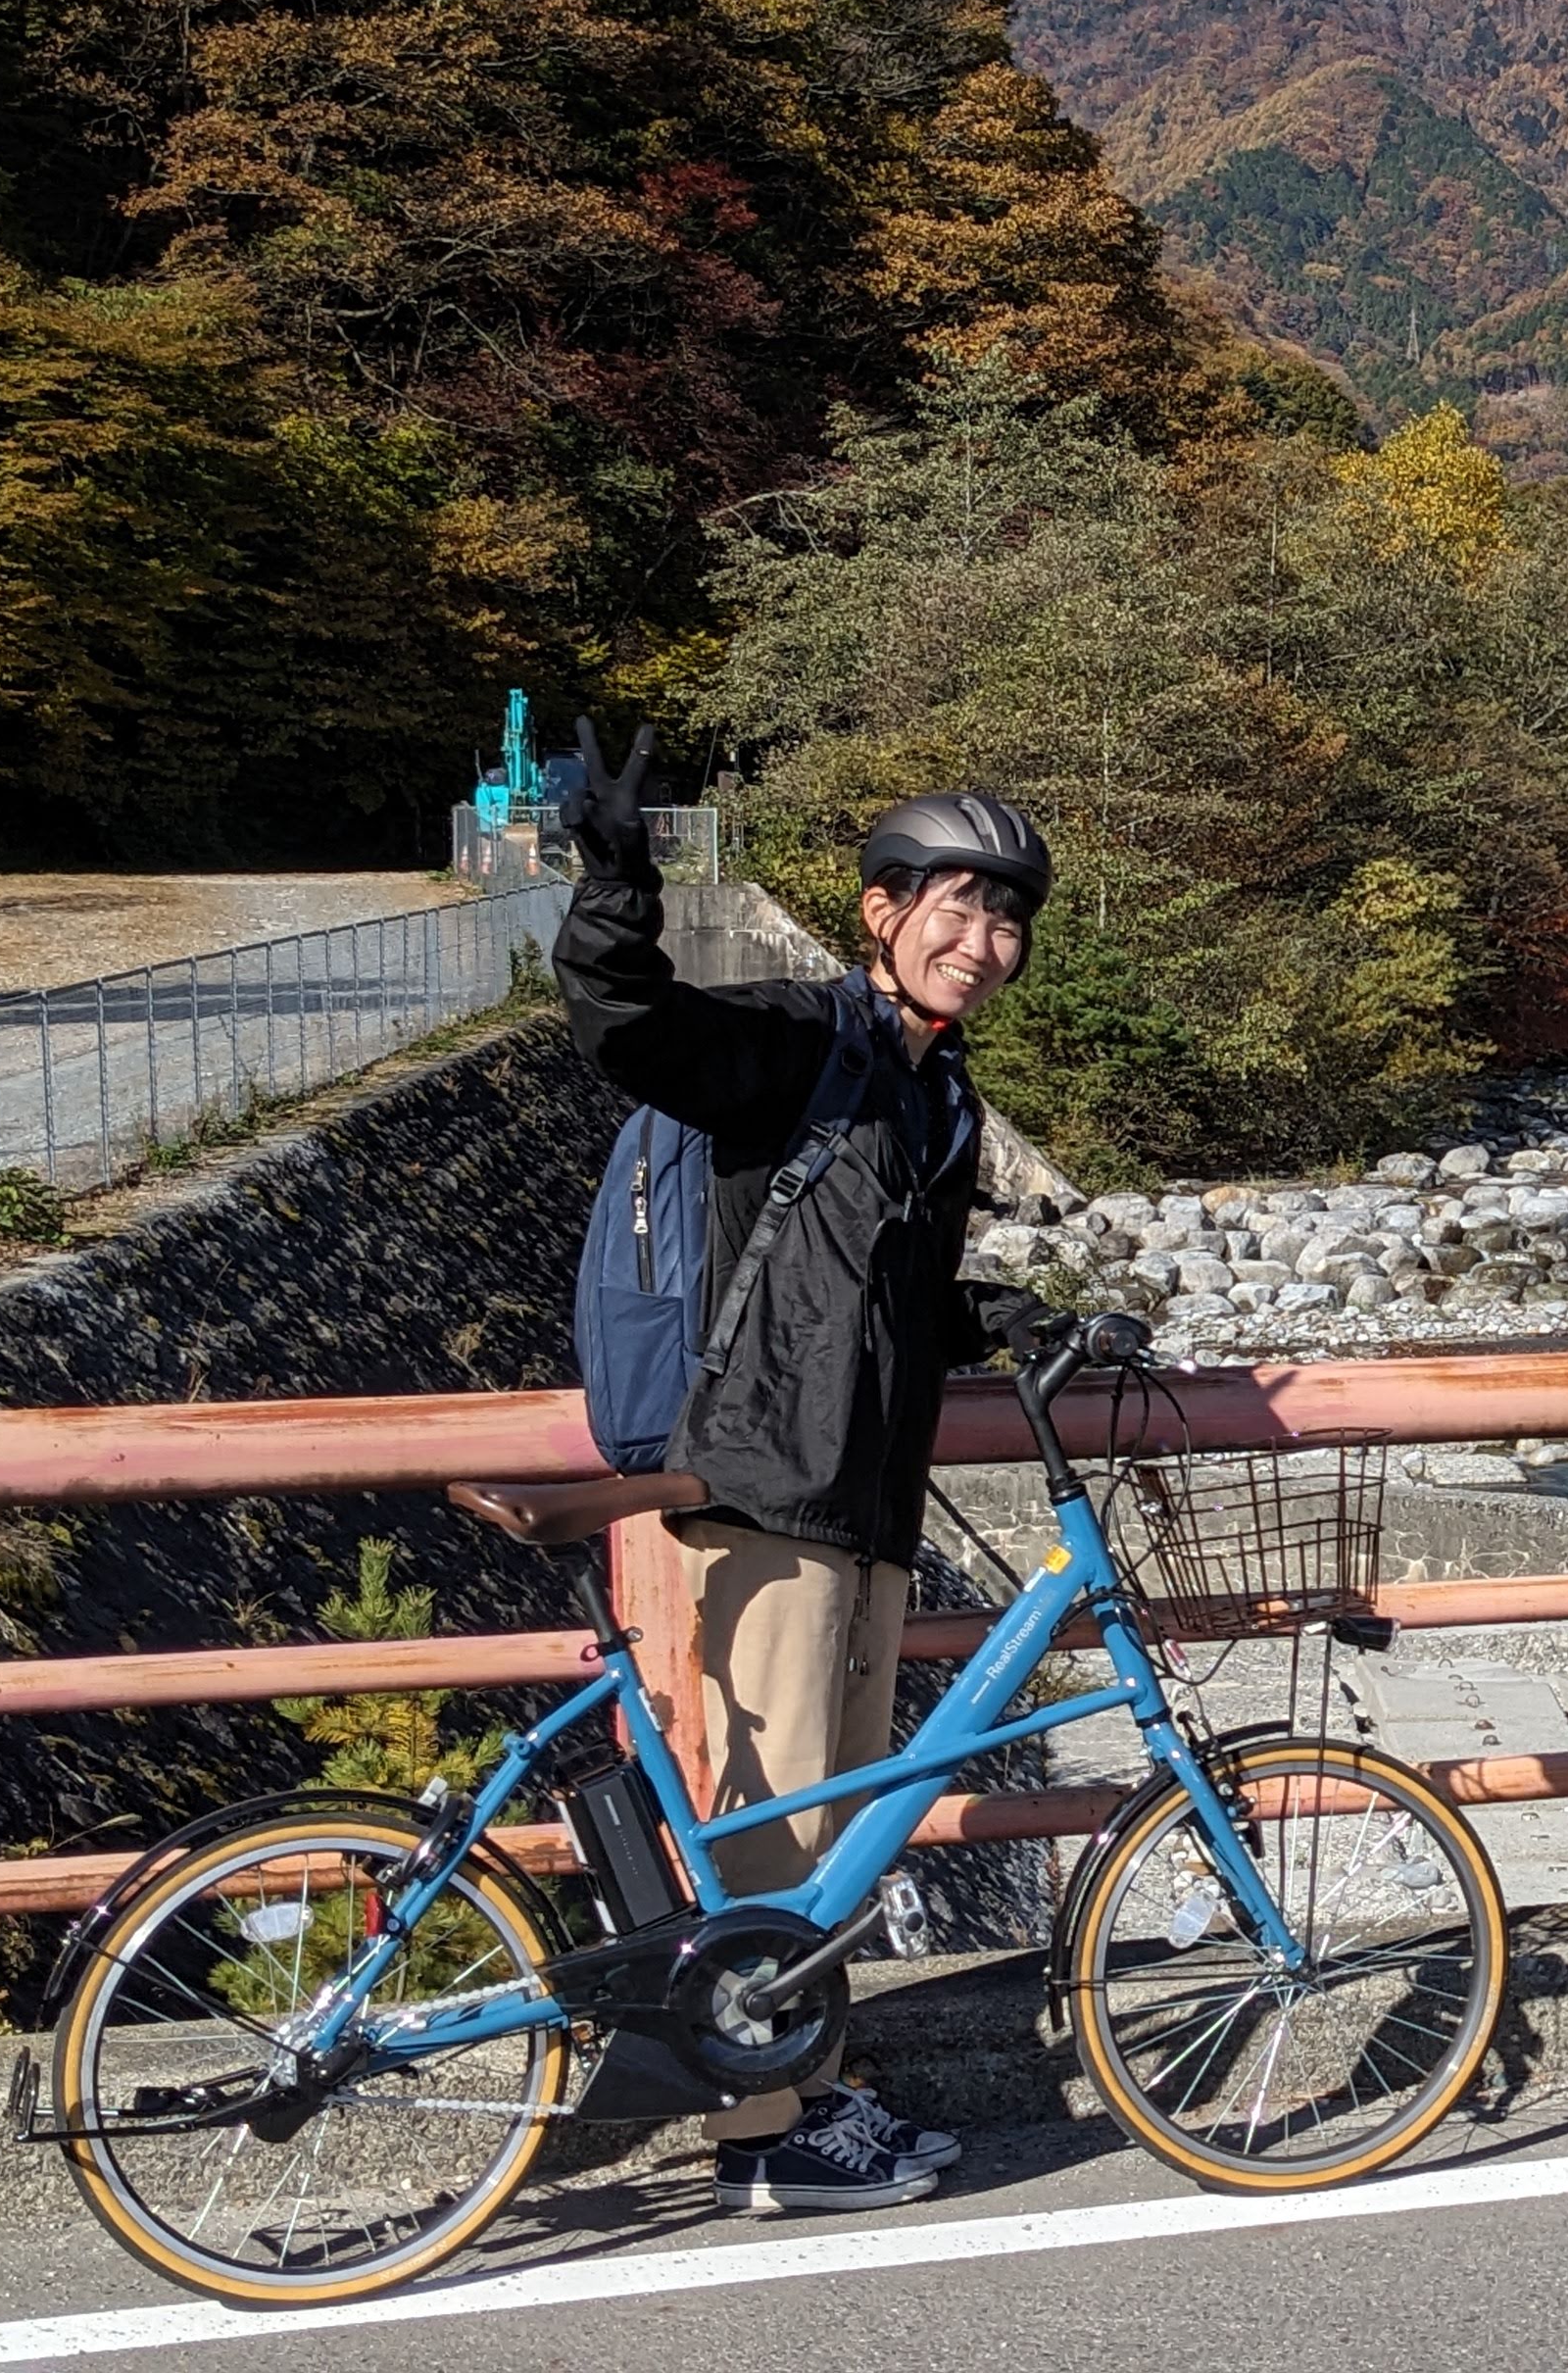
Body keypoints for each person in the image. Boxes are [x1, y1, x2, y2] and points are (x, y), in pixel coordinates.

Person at [555, 724, 1051, 2212]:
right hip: (770, 1479)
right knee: (780, 1818)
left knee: (835, 1820)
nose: (982, 942)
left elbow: (884, 1292)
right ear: (883, 912)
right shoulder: (796, 1045)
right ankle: (763, 2130)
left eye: (1005, 918)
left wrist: (999, 1318)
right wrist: (615, 876)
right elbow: (626, 1022)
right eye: (954, 907)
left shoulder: (936, 1095)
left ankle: (807, 2088)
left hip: (866, 1494)